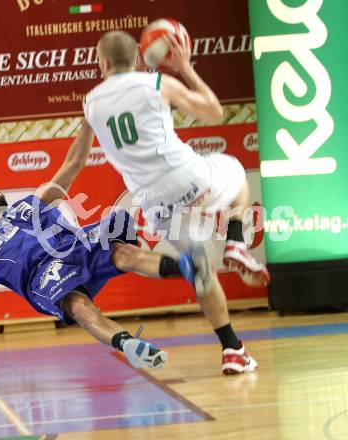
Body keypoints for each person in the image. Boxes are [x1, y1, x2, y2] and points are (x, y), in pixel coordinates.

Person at [0, 122, 201, 391]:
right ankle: (127, 344)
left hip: (74, 247)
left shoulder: (32, 202)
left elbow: (74, 162)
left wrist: (89, 121)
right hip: (43, 277)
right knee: (79, 307)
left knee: (122, 251)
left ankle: (189, 268)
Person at [83, 30, 269, 374]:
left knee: (201, 271)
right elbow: (214, 112)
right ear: (137, 59)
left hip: (154, 203)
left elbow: (77, 157)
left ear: (103, 63)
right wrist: (185, 68)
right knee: (236, 172)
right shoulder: (156, 83)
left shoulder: (91, 102)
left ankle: (232, 349)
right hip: (186, 176)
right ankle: (236, 243)